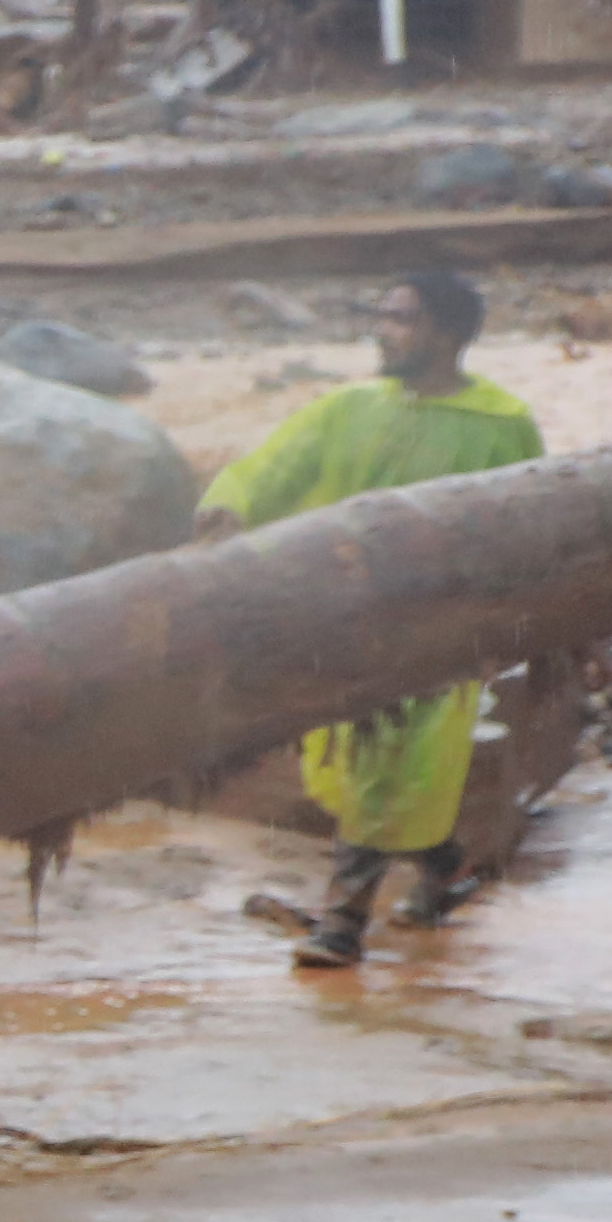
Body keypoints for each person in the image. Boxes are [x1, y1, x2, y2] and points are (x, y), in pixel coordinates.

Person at [204, 267, 543, 966]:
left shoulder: (501, 425)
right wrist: (230, 504)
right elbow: (275, 465)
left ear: (447, 334)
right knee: (354, 773)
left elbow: (531, 525)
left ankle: (342, 925)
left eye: (401, 318)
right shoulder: (350, 406)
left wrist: (527, 625)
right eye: (382, 315)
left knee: (393, 764)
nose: (382, 331)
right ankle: (446, 866)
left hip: (439, 629)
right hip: (346, 621)